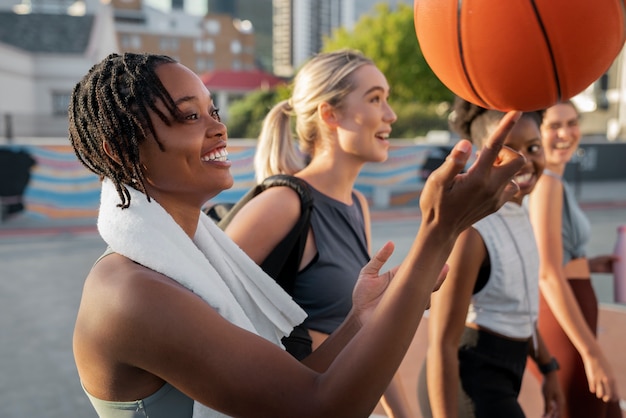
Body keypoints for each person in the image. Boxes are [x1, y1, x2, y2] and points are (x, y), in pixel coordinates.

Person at [69, 52, 525, 418]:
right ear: (123, 148)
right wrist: (440, 229)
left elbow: (294, 383)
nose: (219, 128)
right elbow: (319, 406)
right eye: (190, 117)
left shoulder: (182, 262)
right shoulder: (130, 294)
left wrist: (358, 321)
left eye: (213, 110)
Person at [223, 49, 415, 417]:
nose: (390, 115)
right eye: (375, 99)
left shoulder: (357, 204)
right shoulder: (284, 203)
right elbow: (200, 306)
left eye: (386, 99)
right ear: (330, 113)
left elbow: (366, 337)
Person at [416, 99, 563, 418]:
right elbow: (442, 343)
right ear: (483, 157)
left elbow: (521, 306)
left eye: (534, 147)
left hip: (508, 371)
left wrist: (548, 367)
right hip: (467, 381)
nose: (524, 161)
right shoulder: (472, 231)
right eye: (509, 150)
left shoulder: (519, 212)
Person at [527, 100, 622, 418]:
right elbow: (548, 274)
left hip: (572, 317)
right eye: (554, 126)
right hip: (561, 324)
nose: (565, 133)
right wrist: (592, 353)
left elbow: (556, 258)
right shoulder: (547, 186)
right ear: (536, 133)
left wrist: (589, 264)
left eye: (572, 123)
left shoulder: (554, 181)